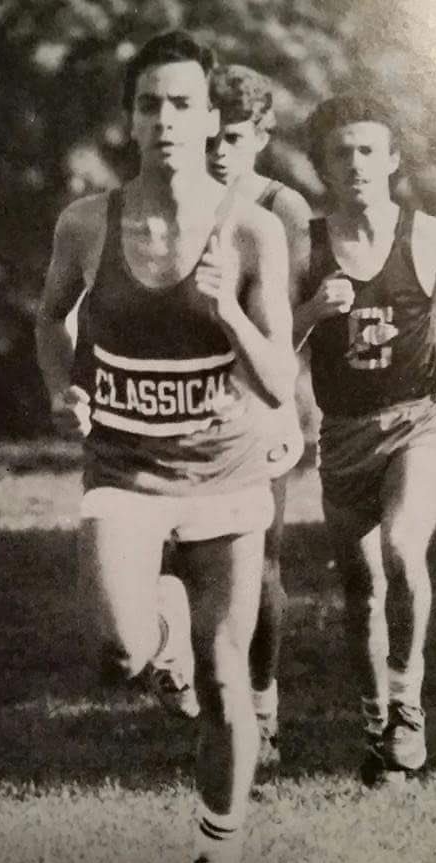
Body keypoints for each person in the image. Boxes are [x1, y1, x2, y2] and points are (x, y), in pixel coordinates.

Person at [37, 30, 297, 863]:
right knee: (120, 651)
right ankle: (161, 635)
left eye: (183, 103)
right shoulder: (87, 223)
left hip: (225, 472)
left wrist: (227, 309)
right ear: (130, 119)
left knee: (227, 680)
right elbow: (50, 318)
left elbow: (278, 381)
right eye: (149, 103)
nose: (166, 119)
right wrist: (61, 388)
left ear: (212, 115)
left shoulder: (253, 228)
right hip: (125, 468)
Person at [294, 92, 436, 787]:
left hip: (418, 422)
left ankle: (408, 706)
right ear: (322, 166)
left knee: (403, 550)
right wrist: (311, 311)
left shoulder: (430, 235)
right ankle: (378, 730)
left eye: (368, 150)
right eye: (340, 153)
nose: (355, 164)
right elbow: (270, 342)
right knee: (361, 588)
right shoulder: (305, 246)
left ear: (393, 159)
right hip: (342, 436)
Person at [153, 64, 311, 767]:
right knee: (169, 554)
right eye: (209, 136)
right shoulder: (169, 198)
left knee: (259, 563)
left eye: (235, 138)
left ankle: (263, 709)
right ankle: (185, 666)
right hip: (180, 403)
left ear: (262, 136)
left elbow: (287, 326)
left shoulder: (281, 208)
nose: (219, 151)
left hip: (259, 404)